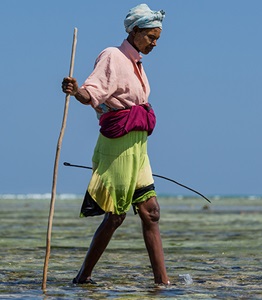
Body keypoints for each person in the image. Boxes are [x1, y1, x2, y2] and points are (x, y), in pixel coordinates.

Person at [62, 4, 170, 285]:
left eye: (157, 38)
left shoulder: (137, 64)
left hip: (138, 147)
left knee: (151, 212)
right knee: (116, 216)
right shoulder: (113, 56)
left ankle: (162, 282)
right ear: (134, 32)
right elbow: (92, 92)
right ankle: (82, 277)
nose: (155, 43)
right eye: (150, 37)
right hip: (118, 144)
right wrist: (77, 92)